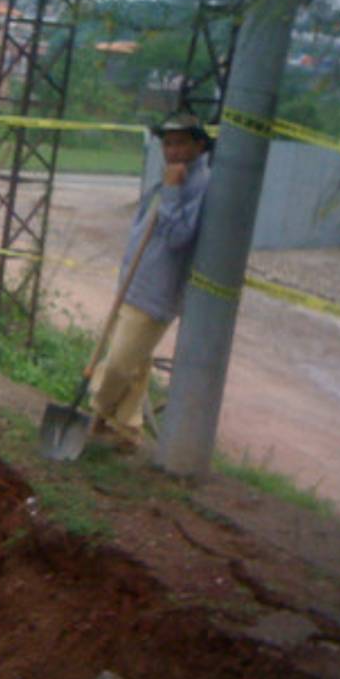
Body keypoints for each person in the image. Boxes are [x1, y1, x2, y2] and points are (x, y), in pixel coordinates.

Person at [89, 112, 213, 451]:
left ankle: (96, 410)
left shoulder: (201, 187)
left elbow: (178, 238)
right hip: (133, 283)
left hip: (156, 294)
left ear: (199, 145)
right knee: (136, 365)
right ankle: (127, 431)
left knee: (118, 364)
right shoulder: (168, 179)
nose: (172, 151)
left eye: (180, 143)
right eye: (167, 144)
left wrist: (173, 191)